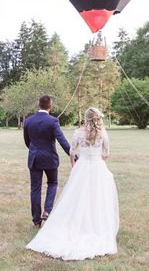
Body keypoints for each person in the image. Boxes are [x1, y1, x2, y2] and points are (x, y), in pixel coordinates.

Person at [26, 107, 119, 261]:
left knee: (76, 197)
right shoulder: (103, 133)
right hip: (97, 166)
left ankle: (74, 224)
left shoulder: (78, 133)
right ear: (98, 118)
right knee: (97, 197)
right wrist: (97, 161)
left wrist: (74, 165)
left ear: (85, 118)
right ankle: (95, 226)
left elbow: (72, 152)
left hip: (81, 166)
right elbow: (106, 154)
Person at [23, 95, 71, 228]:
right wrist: (72, 154)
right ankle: (47, 211)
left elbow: (27, 141)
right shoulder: (53, 121)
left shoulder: (28, 120)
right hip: (50, 158)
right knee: (53, 183)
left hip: (34, 158)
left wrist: (34, 150)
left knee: (35, 189)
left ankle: (36, 221)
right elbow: (62, 140)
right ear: (50, 106)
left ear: (39, 105)